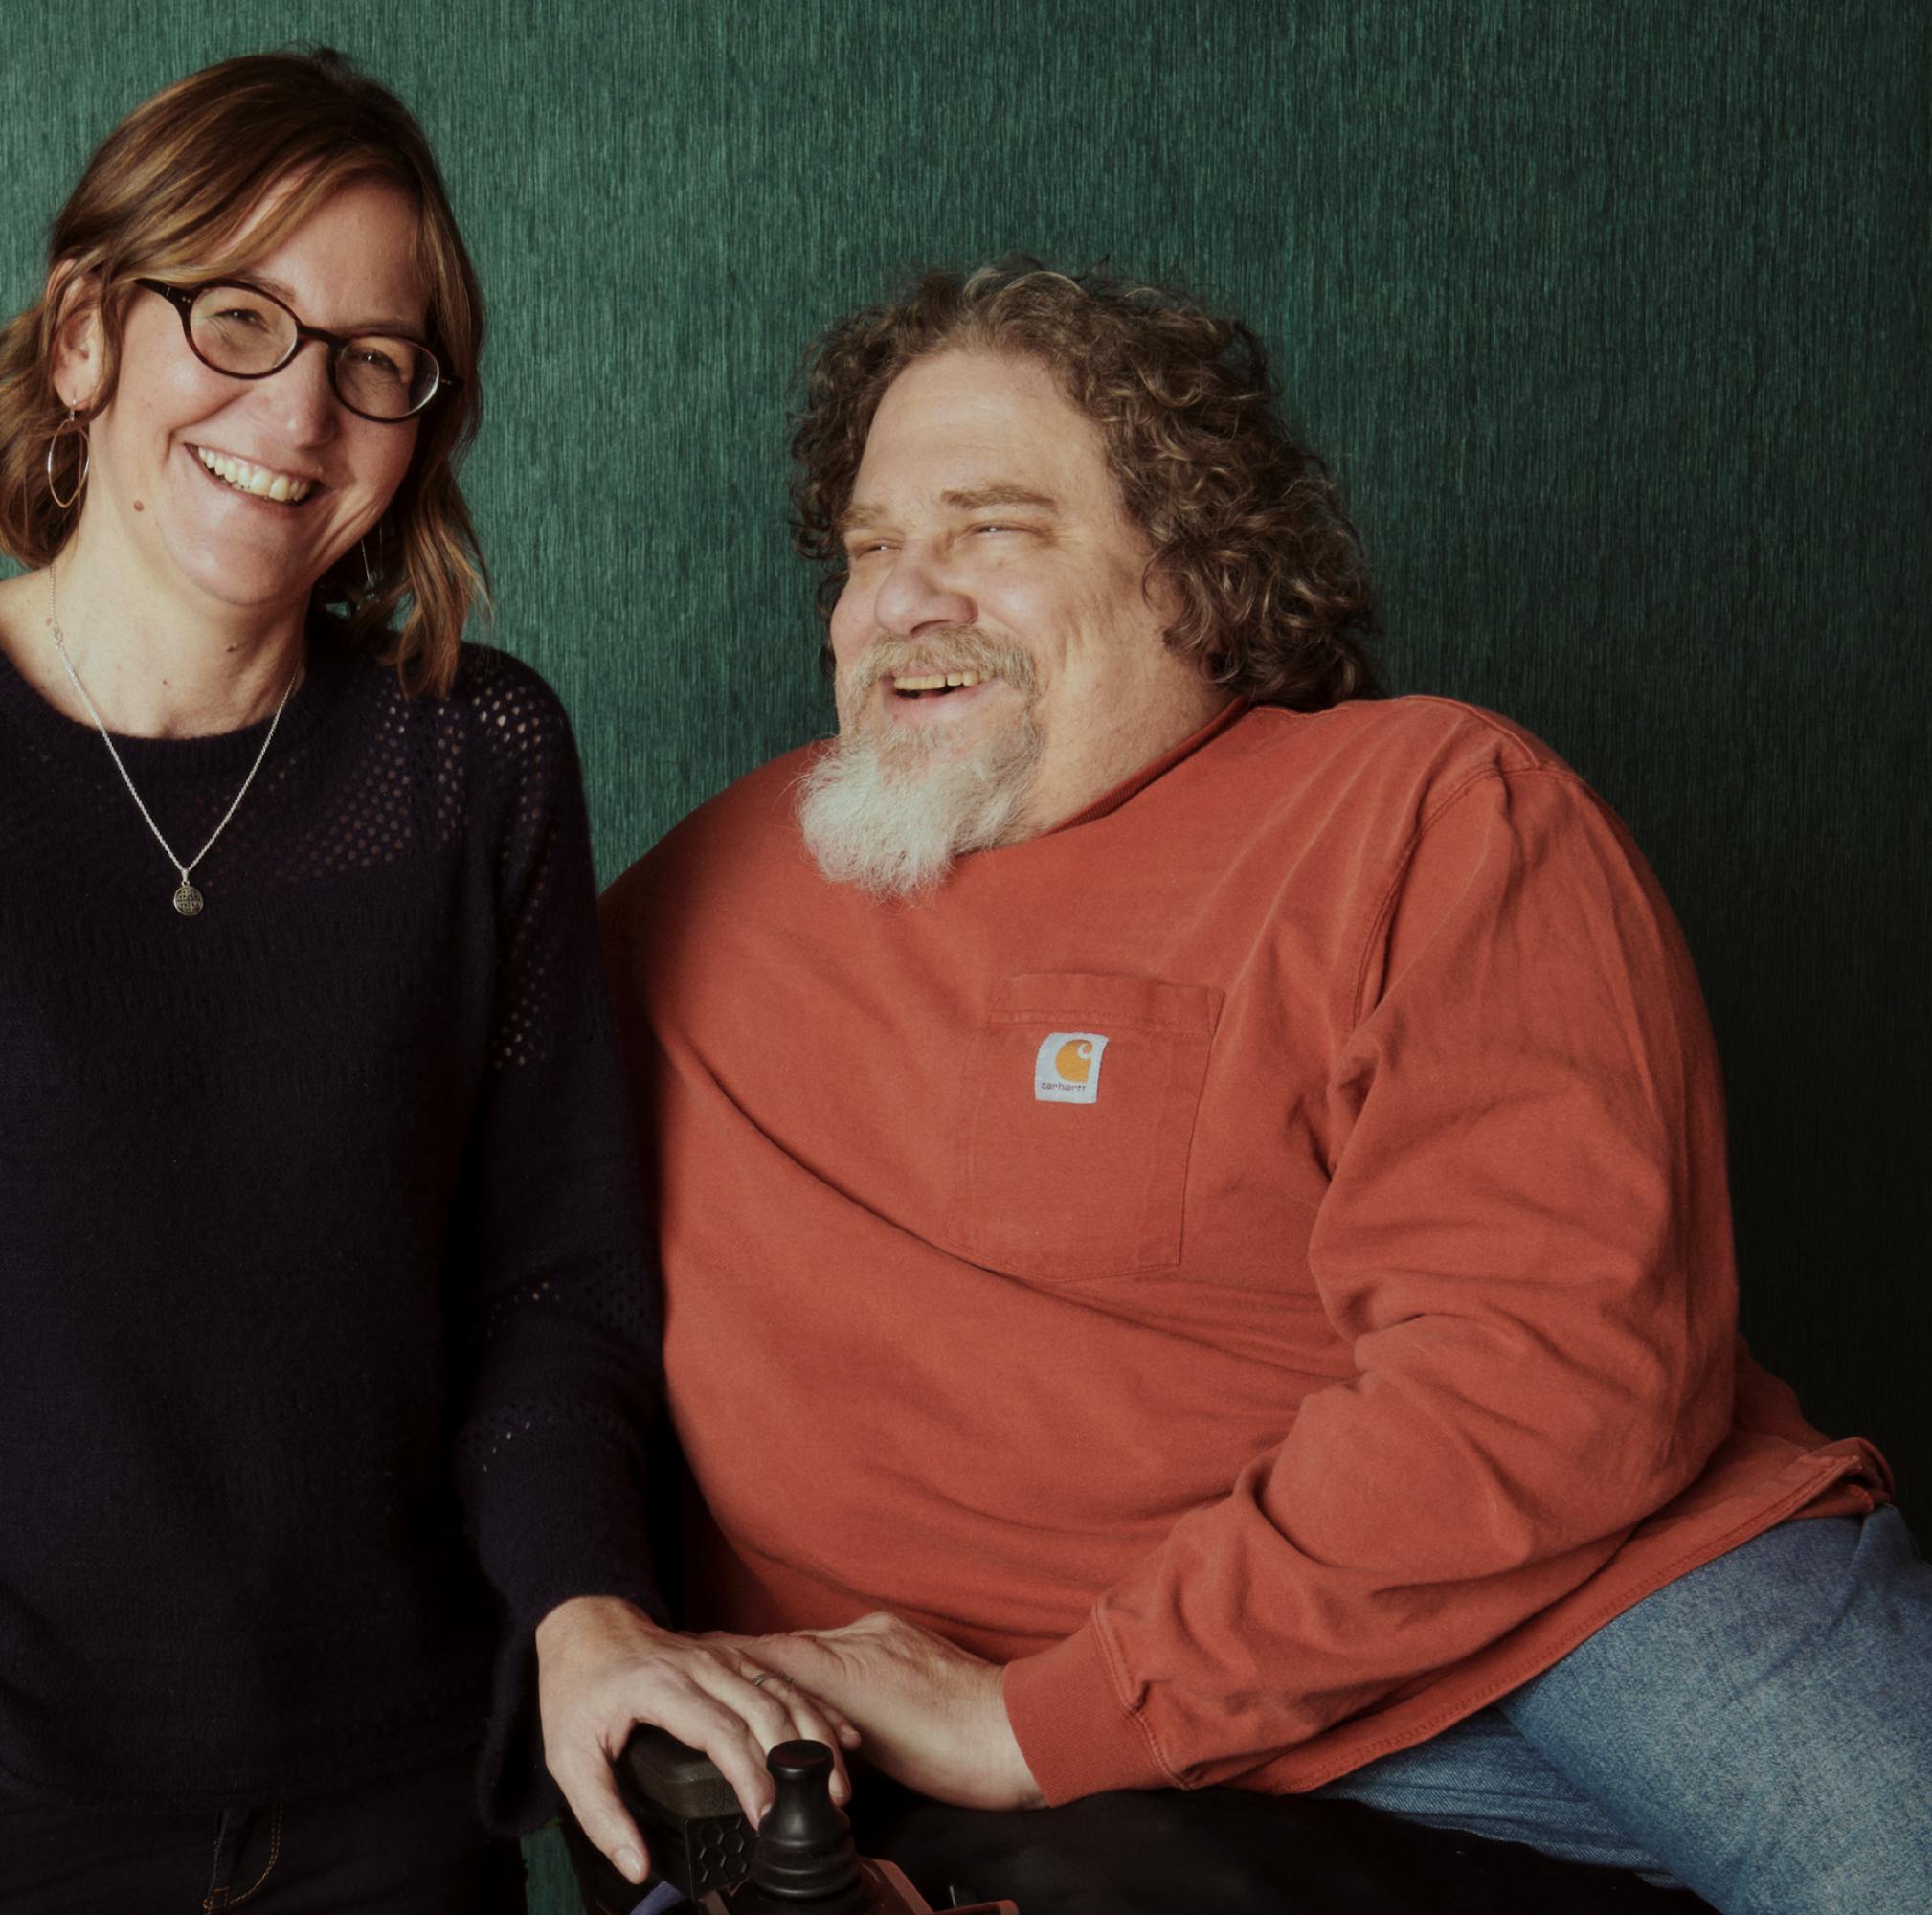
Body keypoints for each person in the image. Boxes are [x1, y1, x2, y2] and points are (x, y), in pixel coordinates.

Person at [0, 51, 848, 1914]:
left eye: (373, 358)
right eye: (236, 317)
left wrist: (583, 1613)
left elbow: (553, 1281)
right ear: (82, 339)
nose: (295, 412)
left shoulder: (473, 764)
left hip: (396, 1808)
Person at [598, 262, 1932, 1914]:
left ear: (1193, 571)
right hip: (978, 1672)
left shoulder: (1428, 809)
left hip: (1586, 1605)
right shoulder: (695, 901)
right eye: (870, 548)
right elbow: (476, 1273)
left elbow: (1538, 1378)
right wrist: (581, 1620)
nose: (901, 598)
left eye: (990, 530)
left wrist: (1047, 1720)